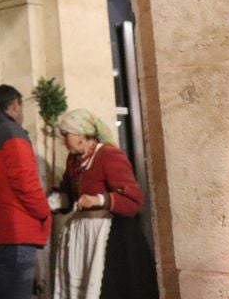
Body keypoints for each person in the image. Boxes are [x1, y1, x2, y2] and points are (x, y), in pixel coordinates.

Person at [50, 109, 158, 299]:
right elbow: (69, 192)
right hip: (83, 236)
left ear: (81, 133)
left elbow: (133, 199)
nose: (63, 140)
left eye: (66, 135)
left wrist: (99, 199)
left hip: (109, 235)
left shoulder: (109, 155)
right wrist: (52, 201)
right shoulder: (73, 160)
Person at [0, 84, 51, 299]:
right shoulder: (12, 132)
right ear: (14, 105)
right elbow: (25, 182)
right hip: (17, 231)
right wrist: (44, 213)